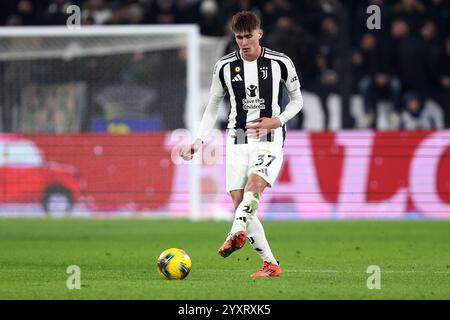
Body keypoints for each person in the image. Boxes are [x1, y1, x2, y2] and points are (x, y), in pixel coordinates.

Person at [180, 11, 303, 277]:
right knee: (240, 203)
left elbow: (297, 101)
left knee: (254, 186)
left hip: (269, 137)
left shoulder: (280, 63)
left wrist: (277, 120)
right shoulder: (224, 66)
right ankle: (270, 264)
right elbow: (212, 106)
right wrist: (198, 140)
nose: (244, 42)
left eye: (248, 36)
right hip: (236, 138)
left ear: (259, 33)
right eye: (239, 37)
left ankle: (235, 232)